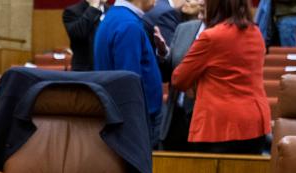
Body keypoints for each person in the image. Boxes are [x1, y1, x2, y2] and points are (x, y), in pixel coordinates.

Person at [172, 0, 270, 154]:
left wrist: (197, 84)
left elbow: (179, 78)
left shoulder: (211, 37)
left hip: (219, 127)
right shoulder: (256, 33)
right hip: (254, 124)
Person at [94, 0, 164, 148]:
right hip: (136, 120)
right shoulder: (128, 25)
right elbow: (129, 82)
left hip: (123, 114)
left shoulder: (115, 16)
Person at [158, 0, 204, 150]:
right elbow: (168, 74)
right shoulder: (184, 29)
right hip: (175, 117)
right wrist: (163, 53)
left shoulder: (226, 34)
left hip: (204, 121)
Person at [62, 0, 109, 71]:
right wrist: (93, 8)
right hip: (85, 70)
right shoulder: (72, 11)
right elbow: (79, 33)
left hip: (108, 68)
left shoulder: (111, 10)